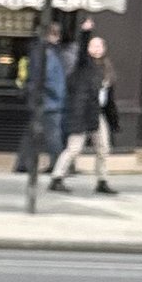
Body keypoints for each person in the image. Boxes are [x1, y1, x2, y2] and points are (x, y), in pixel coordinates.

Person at [50, 28, 118, 194]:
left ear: (104, 49)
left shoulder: (107, 69)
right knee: (74, 148)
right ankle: (57, 177)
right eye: (92, 46)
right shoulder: (83, 65)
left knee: (103, 148)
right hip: (81, 112)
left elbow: (109, 99)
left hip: (97, 113)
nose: (96, 49)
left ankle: (102, 180)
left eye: (99, 46)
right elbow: (81, 53)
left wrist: (113, 120)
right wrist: (85, 33)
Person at [13, 20, 66, 183]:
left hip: (39, 99)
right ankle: (58, 165)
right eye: (56, 34)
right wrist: (58, 95)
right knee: (53, 135)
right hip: (48, 101)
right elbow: (49, 78)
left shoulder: (37, 50)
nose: (58, 38)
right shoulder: (48, 53)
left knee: (31, 133)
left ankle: (22, 164)